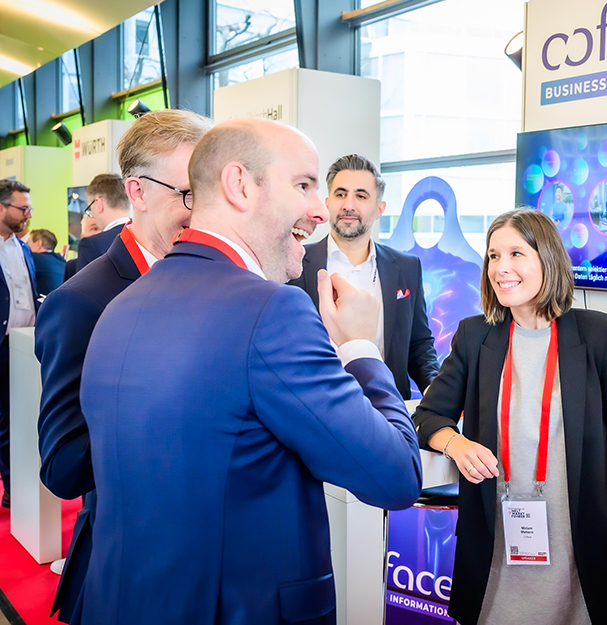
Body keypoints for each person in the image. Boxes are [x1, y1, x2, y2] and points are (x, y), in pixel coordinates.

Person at [78, 118, 421, 624]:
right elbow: (394, 475)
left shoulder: (120, 305)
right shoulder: (273, 311)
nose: (319, 210)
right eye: (303, 185)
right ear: (239, 185)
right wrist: (361, 346)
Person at [413, 207, 607, 625]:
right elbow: (427, 417)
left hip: (581, 557)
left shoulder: (599, 335)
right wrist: (457, 444)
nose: (500, 267)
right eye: (493, 256)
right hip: (496, 558)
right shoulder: (475, 336)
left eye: (516, 254)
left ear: (547, 258)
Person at [36, 109, 213, 624]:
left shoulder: (219, 281)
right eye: (188, 193)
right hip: (131, 564)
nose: (203, 211)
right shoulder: (81, 301)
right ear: (137, 191)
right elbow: (63, 465)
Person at [291, 154, 438, 399]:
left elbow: (419, 344)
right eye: (340, 194)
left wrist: (437, 391)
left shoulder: (407, 267)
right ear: (327, 203)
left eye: (361, 196)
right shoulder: (295, 262)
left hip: (386, 404)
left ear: (380, 209)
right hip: (316, 404)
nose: (348, 205)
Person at [0, 179, 38, 509]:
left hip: (27, 345)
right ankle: (12, 485)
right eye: (23, 208)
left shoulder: (23, 248)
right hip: (2, 344)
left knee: (24, 417)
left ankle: (23, 483)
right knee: (4, 420)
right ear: (1, 209)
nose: (29, 215)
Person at [66, 174, 130, 278]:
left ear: (98, 203)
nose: (93, 215)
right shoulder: (146, 235)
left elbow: (85, 287)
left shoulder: (92, 245)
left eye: (90, 210)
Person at [27, 229, 66, 296]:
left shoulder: (34, 258)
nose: (26, 246)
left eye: (27, 243)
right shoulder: (62, 260)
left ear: (38, 244)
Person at [64, 217, 100, 282]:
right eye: (95, 229)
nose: (101, 232)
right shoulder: (71, 267)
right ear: (83, 237)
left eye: (103, 228)